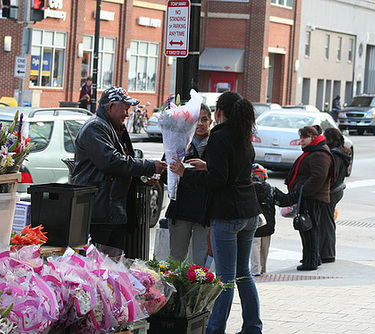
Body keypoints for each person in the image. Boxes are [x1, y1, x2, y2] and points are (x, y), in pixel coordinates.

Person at [170, 91, 263, 334]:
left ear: (219, 113)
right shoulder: (244, 135)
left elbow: (219, 179)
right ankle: (253, 327)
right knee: (243, 274)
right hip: (249, 212)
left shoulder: (220, 136)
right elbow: (231, 170)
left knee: (225, 278)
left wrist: (185, 173)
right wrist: (207, 165)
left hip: (227, 214)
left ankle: (215, 329)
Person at [72, 86, 167, 251]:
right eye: (125, 108)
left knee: (111, 266)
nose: (127, 113)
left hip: (110, 211)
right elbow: (111, 162)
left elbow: (123, 165)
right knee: (99, 266)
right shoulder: (96, 127)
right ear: (110, 107)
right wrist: (149, 166)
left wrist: (142, 178)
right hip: (99, 212)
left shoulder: (114, 128)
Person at [165, 103, 212, 267]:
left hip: (204, 212)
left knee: (199, 264)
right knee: (175, 260)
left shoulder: (216, 145)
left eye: (204, 119)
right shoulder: (178, 142)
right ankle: (174, 293)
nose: (199, 124)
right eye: (195, 120)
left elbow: (217, 176)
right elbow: (167, 175)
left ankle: (197, 293)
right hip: (180, 210)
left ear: (210, 122)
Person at [283, 125, 334, 271]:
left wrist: (302, 190)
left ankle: (310, 262)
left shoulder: (319, 153)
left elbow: (318, 176)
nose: (301, 141)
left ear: (313, 138)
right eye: (300, 138)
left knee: (309, 230)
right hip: (310, 196)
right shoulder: (315, 151)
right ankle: (312, 258)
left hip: (312, 197)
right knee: (308, 229)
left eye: (305, 138)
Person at [319, 127, 351, 263]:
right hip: (337, 191)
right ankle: (327, 253)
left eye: (325, 137)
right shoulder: (341, 153)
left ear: (330, 140)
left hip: (332, 192)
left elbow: (332, 177)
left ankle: (327, 254)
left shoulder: (334, 155)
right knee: (327, 222)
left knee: (326, 223)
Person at [249, 163, 275, 276]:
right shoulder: (271, 189)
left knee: (254, 246)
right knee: (265, 248)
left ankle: (255, 270)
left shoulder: (248, 190)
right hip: (268, 224)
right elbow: (284, 199)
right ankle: (263, 269)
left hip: (255, 223)